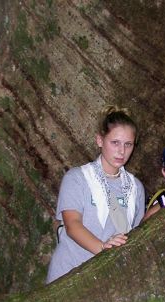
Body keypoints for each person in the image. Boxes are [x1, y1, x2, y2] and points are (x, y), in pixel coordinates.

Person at [46, 106, 145, 283]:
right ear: (100, 140)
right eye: (115, 142)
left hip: (107, 280)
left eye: (128, 144)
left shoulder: (135, 188)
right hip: (68, 273)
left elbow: (136, 233)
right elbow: (72, 225)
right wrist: (103, 248)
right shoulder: (77, 178)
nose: (121, 151)